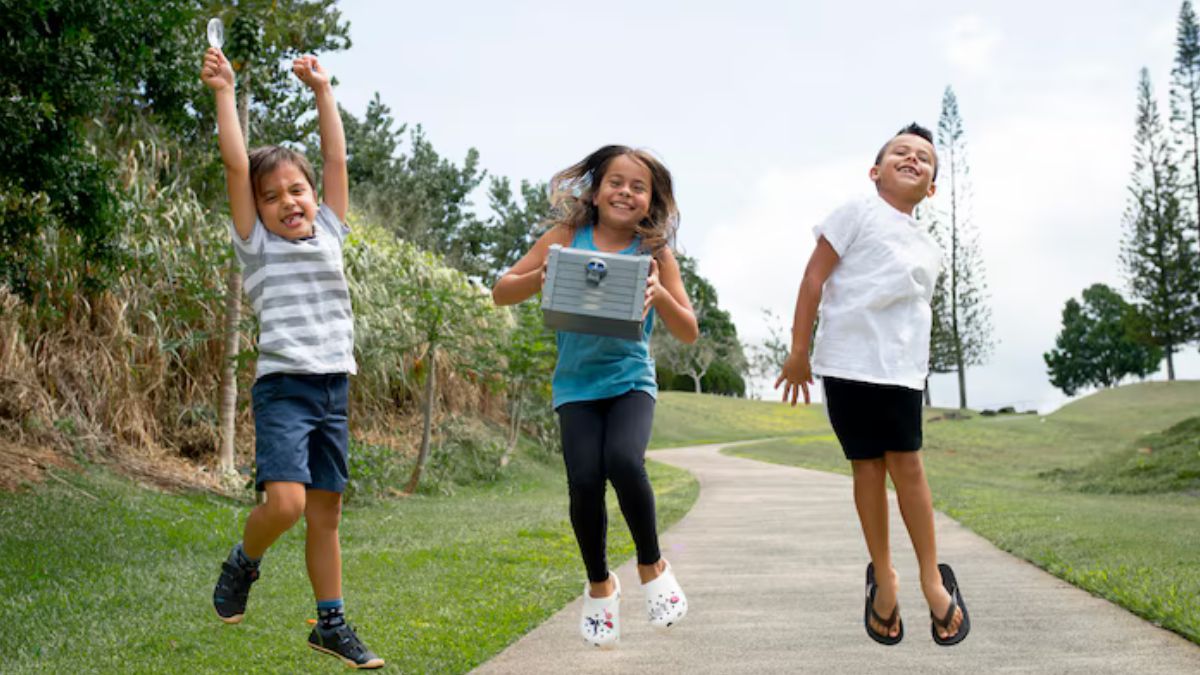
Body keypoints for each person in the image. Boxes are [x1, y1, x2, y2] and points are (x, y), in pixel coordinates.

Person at [200, 46, 384, 669]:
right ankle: (243, 562)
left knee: (325, 515)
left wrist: (322, 91)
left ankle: (329, 623)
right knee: (287, 504)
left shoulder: (331, 228)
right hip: (284, 388)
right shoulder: (256, 246)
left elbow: (335, 156)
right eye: (272, 196)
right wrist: (226, 92)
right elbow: (234, 165)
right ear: (258, 208)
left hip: (334, 388)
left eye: (296, 189)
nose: (288, 201)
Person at [492, 145, 699, 648]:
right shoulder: (567, 238)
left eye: (638, 186)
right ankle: (601, 585)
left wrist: (661, 294)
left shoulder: (654, 252)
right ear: (597, 189)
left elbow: (689, 330)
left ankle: (652, 565)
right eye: (616, 182)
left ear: (651, 200)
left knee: (625, 462)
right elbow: (502, 289)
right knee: (584, 480)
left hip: (630, 380)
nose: (625, 192)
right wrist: (541, 276)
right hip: (576, 386)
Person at [775, 123, 970, 647]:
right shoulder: (856, 212)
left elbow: (914, 314)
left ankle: (932, 579)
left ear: (931, 187)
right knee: (867, 467)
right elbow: (814, 278)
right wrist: (798, 352)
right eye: (900, 152)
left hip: (901, 372)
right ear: (875, 171)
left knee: (907, 466)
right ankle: (885, 578)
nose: (911, 158)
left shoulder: (930, 248)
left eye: (924, 158)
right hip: (846, 363)